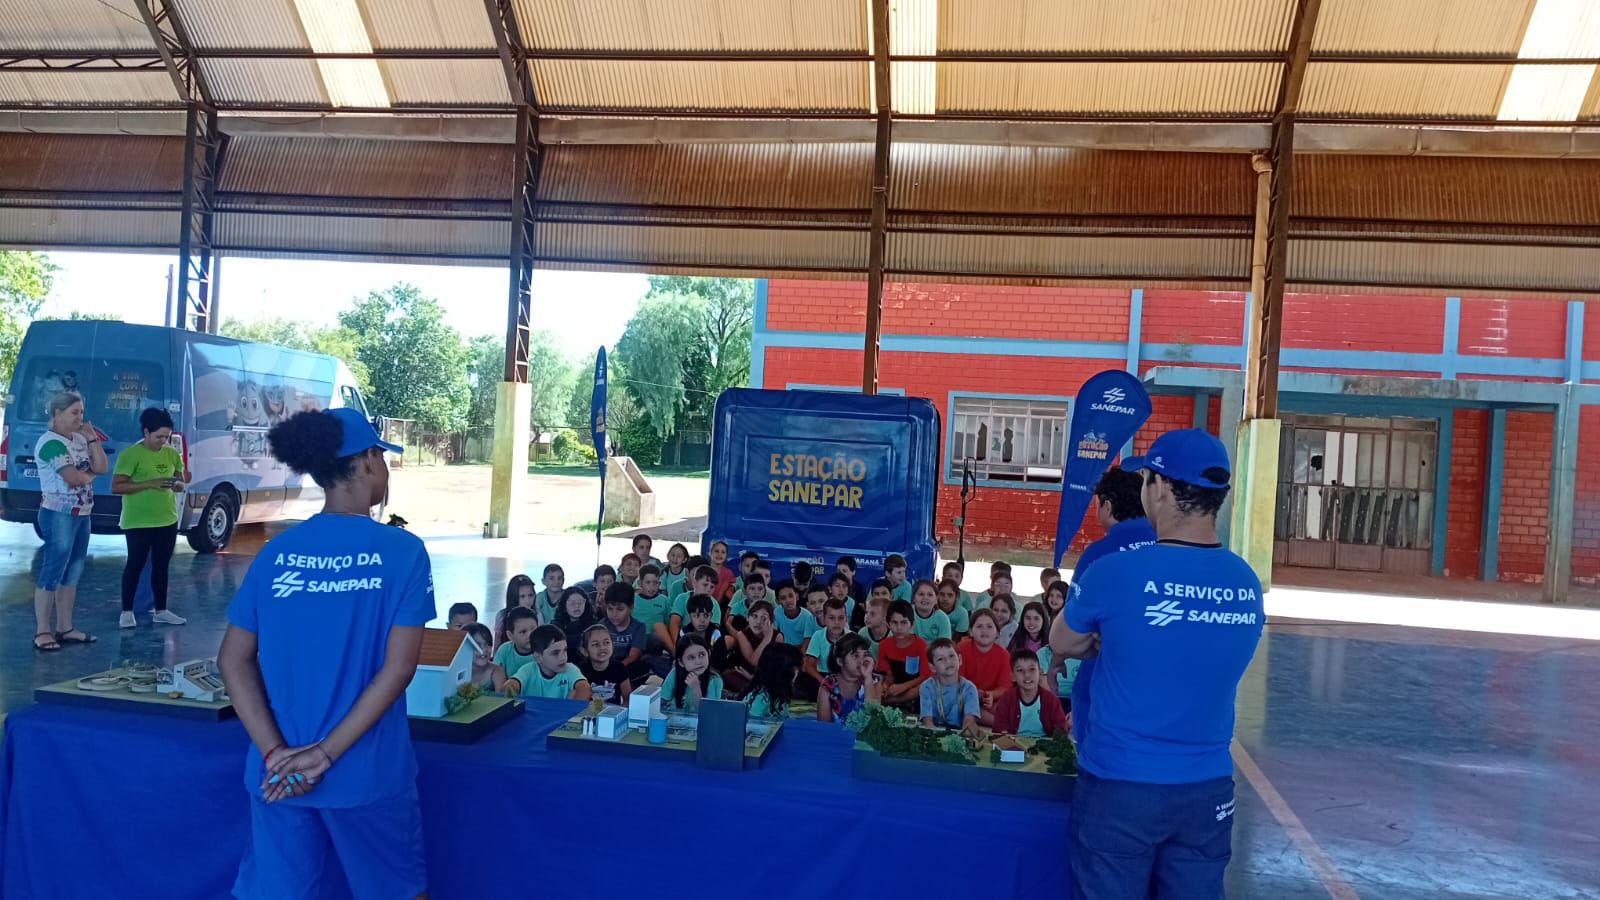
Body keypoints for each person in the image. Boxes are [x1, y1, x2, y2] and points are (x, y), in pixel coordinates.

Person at [216, 406, 430, 899]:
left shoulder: (276, 552)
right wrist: (323, 755)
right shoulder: (402, 552)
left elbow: (231, 660)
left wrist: (277, 755)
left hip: (279, 776)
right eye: (382, 456)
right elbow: (399, 669)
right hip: (367, 775)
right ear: (369, 459)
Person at [1050, 429, 1263, 900]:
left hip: (1121, 786)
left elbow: (1061, 640)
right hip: (1207, 789)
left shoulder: (1116, 572)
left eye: (1146, 478)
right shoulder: (1245, 583)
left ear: (1161, 487)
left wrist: (1106, 640)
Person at [1064, 465, 1159, 744]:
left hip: (1104, 680)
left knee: (1094, 754)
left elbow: (1071, 625)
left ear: (1107, 506)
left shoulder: (1099, 554)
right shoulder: (1170, 548)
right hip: (1158, 686)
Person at [31, 391, 107, 651]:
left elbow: (102, 467)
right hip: (58, 514)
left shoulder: (80, 439)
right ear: (57, 414)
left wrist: (92, 438)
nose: (80, 417)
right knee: (53, 569)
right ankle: (42, 630)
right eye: (74, 412)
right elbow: (74, 478)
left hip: (82, 513)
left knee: (73, 571)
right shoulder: (50, 443)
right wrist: (90, 474)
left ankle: (65, 627)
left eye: (81, 412)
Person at [111, 406, 189, 630]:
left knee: (161, 566)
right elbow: (116, 486)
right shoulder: (131, 455)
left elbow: (180, 479)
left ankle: (161, 610)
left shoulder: (171, 454)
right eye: (159, 437)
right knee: (135, 564)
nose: (163, 441)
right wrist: (149, 484)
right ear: (146, 432)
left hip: (166, 519)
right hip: (138, 520)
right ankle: (127, 611)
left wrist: (177, 484)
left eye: (167, 437)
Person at [992, 649, 1068, 738]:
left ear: (1040, 672)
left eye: (1032, 669)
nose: (1027, 675)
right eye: (1020, 670)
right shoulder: (1006, 699)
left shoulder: (1051, 700)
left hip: (1043, 743)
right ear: (1012, 677)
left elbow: (1061, 728)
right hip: (1013, 743)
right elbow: (999, 729)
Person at [504, 625, 592, 699]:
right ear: (538, 657)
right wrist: (510, 696)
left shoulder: (570, 669)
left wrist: (572, 707)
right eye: (555, 653)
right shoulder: (528, 670)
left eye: (565, 650)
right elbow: (510, 685)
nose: (563, 658)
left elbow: (585, 689)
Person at [959, 609, 1012, 725]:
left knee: (1005, 708)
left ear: (997, 633)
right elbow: (957, 680)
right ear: (971, 631)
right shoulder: (962, 649)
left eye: (989, 626)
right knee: (967, 707)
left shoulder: (1004, 655)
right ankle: (998, 724)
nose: (984, 630)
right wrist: (973, 693)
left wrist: (991, 695)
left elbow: (1005, 687)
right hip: (966, 696)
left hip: (991, 700)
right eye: (979, 626)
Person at [919, 638, 980, 737]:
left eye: (951, 656)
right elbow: (927, 721)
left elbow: (969, 721)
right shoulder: (926, 687)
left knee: (976, 734)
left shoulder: (969, 688)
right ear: (932, 667)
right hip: (935, 732)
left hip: (961, 733)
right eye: (940, 659)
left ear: (960, 660)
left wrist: (958, 741)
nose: (948, 661)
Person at [875, 599, 928, 710]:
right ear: (888, 624)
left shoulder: (921, 645)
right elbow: (888, 674)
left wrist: (903, 687)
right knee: (877, 686)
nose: (899, 628)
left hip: (913, 687)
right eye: (894, 623)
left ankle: (890, 701)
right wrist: (886, 685)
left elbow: (925, 676)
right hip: (895, 687)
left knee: (924, 687)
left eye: (904, 623)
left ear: (912, 624)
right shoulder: (884, 645)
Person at [817, 633, 880, 723]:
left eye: (865, 655)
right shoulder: (828, 684)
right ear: (840, 661)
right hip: (833, 731)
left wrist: (868, 679)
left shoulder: (874, 682)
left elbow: (874, 720)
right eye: (856, 656)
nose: (862, 661)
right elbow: (823, 724)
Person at [723, 599, 781, 696]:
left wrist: (768, 637)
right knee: (726, 677)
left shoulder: (777, 636)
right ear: (748, 618)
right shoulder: (742, 634)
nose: (758, 621)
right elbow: (754, 661)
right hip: (744, 674)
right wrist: (766, 639)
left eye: (764, 618)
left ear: (771, 622)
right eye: (754, 616)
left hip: (767, 677)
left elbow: (775, 667)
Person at [660, 633, 723, 713]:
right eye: (691, 658)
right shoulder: (674, 674)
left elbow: (708, 713)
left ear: (709, 653)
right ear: (681, 662)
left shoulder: (714, 680)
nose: (698, 662)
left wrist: (696, 688)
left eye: (702, 655)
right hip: (675, 718)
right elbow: (662, 703)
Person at [801, 597, 849, 696]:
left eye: (841, 618)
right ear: (824, 619)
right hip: (824, 676)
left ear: (846, 619)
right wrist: (823, 681)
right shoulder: (818, 635)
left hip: (846, 676)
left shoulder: (852, 638)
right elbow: (809, 665)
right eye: (831, 618)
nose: (836, 622)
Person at [577, 623, 631, 706]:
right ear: (585, 651)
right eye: (595, 644)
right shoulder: (579, 671)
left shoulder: (619, 668)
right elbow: (577, 700)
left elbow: (627, 699)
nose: (602, 647)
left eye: (606, 642)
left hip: (613, 712)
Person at [667, 565, 721, 646]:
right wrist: (679, 645)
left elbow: (714, 630)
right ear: (694, 583)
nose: (708, 589)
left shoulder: (715, 605)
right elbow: (674, 622)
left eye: (712, 587)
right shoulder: (682, 598)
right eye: (705, 585)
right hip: (684, 637)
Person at [746, 643, 801, 719]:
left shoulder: (780, 695)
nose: (797, 672)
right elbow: (751, 723)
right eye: (794, 668)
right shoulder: (760, 699)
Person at [494, 606, 540, 677]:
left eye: (533, 630)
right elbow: (496, 676)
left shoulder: (544, 651)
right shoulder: (504, 650)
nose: (530, 635)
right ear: (510, 635)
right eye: (523, 632)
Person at [554, 586, 598, 656]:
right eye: (572, 603)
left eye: (580, 602)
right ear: (564, 604)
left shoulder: (593, 624)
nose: (577, 606)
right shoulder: (556, 626)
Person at [772, 581, 819, 646]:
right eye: (783, 598)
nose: (788, 600)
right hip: (783, 648)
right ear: (777, 601)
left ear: (797, 596)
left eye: (791, 596)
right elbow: (773, 633)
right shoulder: (777, 612)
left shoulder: (807, 616)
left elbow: (809, 641)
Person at [463, 623, 506, 692]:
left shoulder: (496, 672)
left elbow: (501, 697)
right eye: (477, 645)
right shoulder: (455, 671)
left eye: (488, 644)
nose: (483, 650)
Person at [496, 574, 537, 644]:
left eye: (530, 595)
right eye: (522, 596)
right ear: (513, 597)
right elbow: (497, 644)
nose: (527, 601)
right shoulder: (502, 616)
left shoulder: (538, 615)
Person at [910, 578, 952, 642]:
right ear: (913, 598)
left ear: (936, 600)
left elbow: (945, 644)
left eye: (930, 595)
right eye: (921, 594)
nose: (925, 598)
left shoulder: (942, 618)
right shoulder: (906, 613)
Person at [857, 594, 891, 662]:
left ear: (885, 617)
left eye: (872, 614)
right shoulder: (862, 633)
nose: (867, 616)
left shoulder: (893, 635)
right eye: (866, 612)